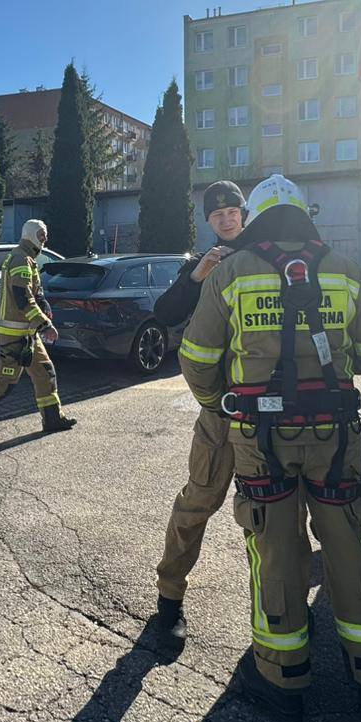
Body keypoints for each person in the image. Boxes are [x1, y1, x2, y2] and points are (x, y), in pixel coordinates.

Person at [178, 174, 361, 722]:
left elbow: (196, 357)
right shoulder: (343, 267)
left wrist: (221, 405)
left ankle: (283, 677)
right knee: (348, 542)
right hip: (336, 436)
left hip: (261, 439)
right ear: (305, 214)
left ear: (254, 219)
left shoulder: (231, 271)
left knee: (275, 548)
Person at [149, 179, 245, 644]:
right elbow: (165, 312)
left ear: (244, 215)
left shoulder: (263, 257)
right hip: (220, 410)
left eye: (232, 213)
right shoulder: (203, 262)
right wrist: (195, 277)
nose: (226, 220)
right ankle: (169, 599)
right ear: (208, 221)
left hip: (270, 408)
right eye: (217, 215)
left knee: (274, 512)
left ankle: (280, 609)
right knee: (198, 501)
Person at [0, 219, 78, 442]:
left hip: (27, 334)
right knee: (4, 383)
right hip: (15, 336)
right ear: (31, 235)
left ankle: (52, 418)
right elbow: (22, 297)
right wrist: (44, 324)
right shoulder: (21, 258)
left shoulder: (24, 257)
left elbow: (32, 292)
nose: (45, 239)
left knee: (45, 372)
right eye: (42, 235)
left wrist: (43, 306)